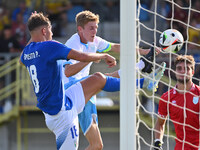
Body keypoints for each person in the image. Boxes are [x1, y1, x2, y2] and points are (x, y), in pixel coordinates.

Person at [62, 10, 164, 150]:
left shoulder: (94, 41)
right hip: (70, 93)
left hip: (85, 93)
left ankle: (141, 66)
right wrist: (94, 57)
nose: (95, 31)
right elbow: (67, 72)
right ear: (80, 29)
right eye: (91, 28)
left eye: (96, 28)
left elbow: (116, 47)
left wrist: (145, 52)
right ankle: (142, 82)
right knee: (99, 78)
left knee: (97, 145)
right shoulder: (73, 44)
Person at [19, 12, 120, 150]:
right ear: (44, 31)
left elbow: (21, 59)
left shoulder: (26, 53)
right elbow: (81, 57)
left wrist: (34, 32)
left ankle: (139, 82)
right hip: (61, 114)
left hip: (54, 111)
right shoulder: (50, 46)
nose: (52, 34)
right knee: (98, 80)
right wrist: (103, 55)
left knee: (98, 79)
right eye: (50, 30)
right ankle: (138, 82)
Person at [154, 55, 200, 150]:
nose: (183, 71)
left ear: (192, 72)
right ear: (175, 72)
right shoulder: (166, 98)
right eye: (179, 68)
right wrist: (157, 142)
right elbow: (160, 122)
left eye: (187, 68)